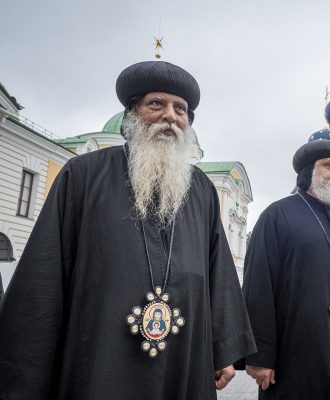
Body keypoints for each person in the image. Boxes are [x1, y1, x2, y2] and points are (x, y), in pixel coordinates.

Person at [0, 61, 256, 399]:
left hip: (184, 354)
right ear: (132, 114)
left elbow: (218, 271)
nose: (170, 116)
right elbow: (44, 277)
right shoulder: (83, 176)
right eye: (156, 104)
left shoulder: (202, 191)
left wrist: (223, 349)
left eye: (181, 109)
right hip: (99, 356)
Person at [242, 140, 330, 400]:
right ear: (308, 172)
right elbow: (257, 286)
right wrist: (259, 354)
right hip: (294, 349)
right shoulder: (277, 215)